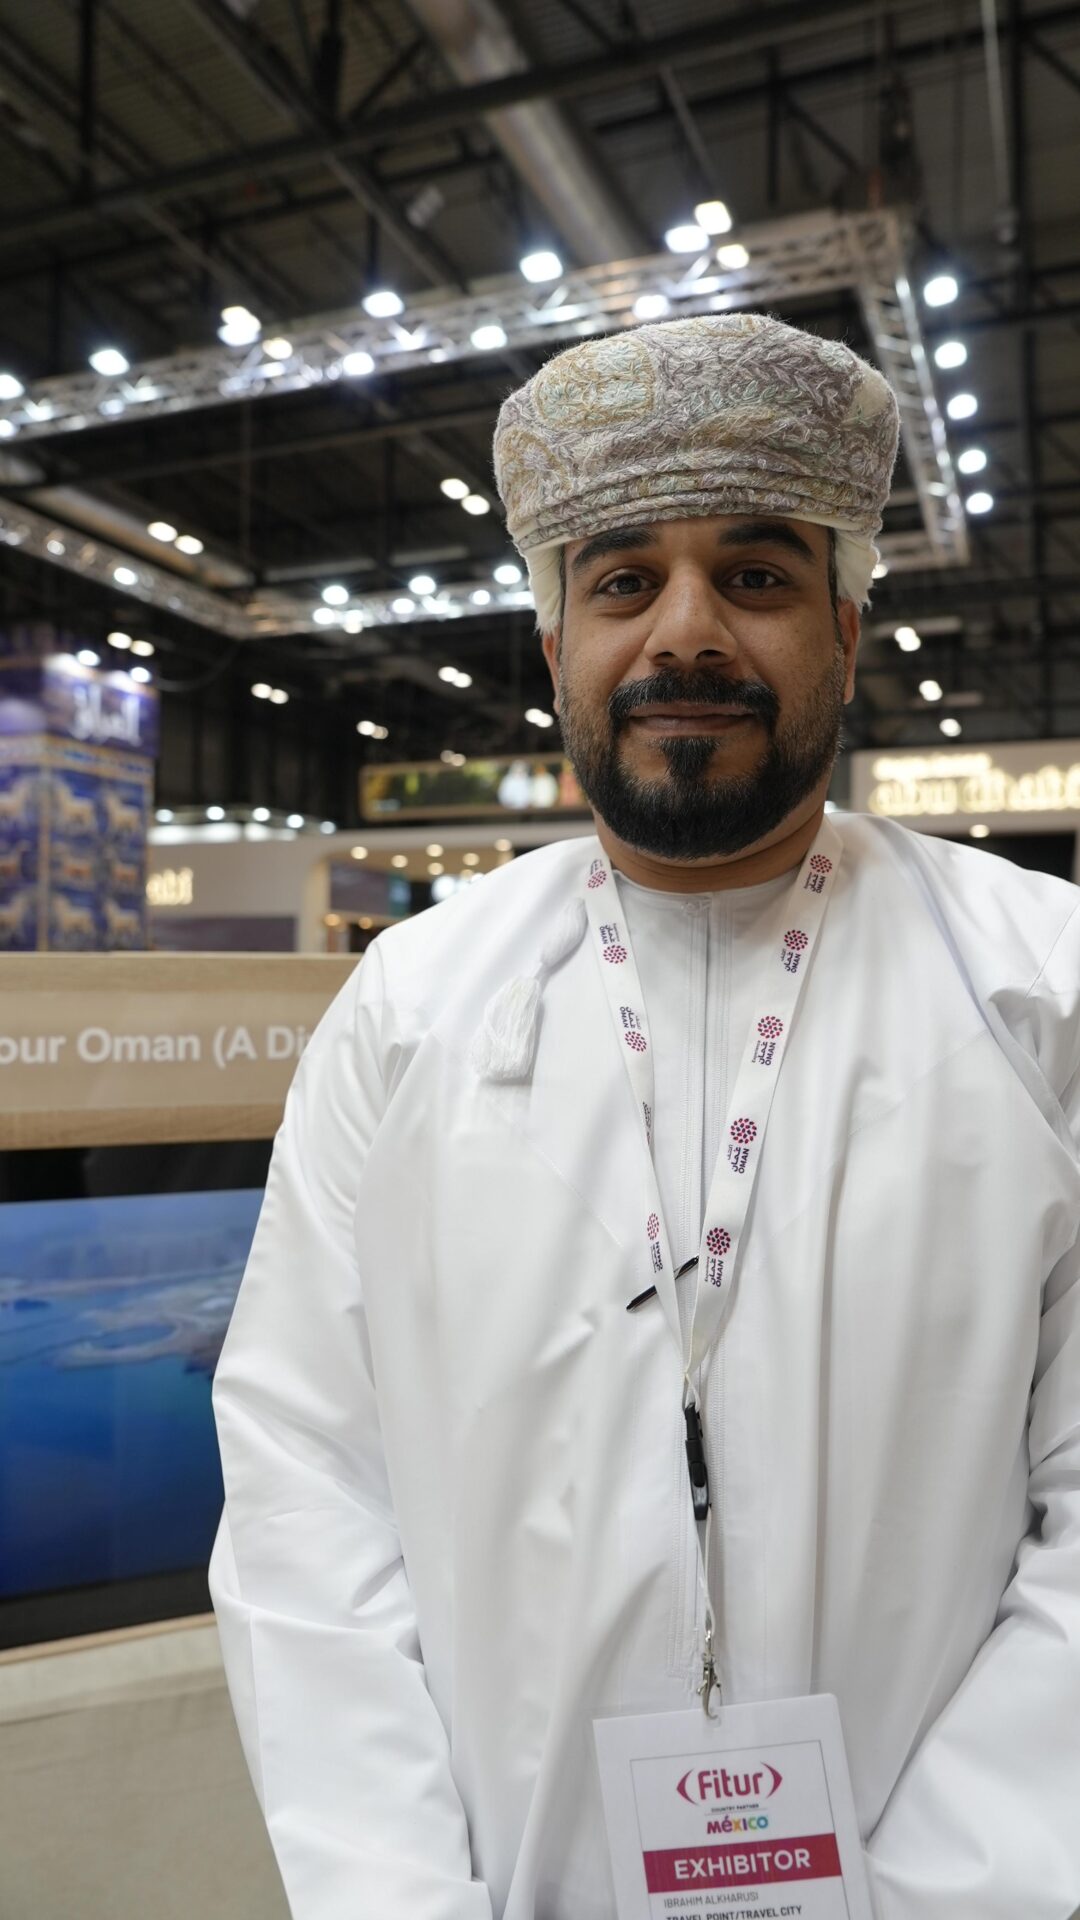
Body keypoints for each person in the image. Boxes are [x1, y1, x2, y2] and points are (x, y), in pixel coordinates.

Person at [209, 314, 1080, 1920]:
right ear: (554, 651)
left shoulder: (1041, 991)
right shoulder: (411, 1010)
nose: (687, 633)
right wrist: (401, 1898)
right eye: (623, 582)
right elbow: (302, 1496)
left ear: (846, 626)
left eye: (753, 574)